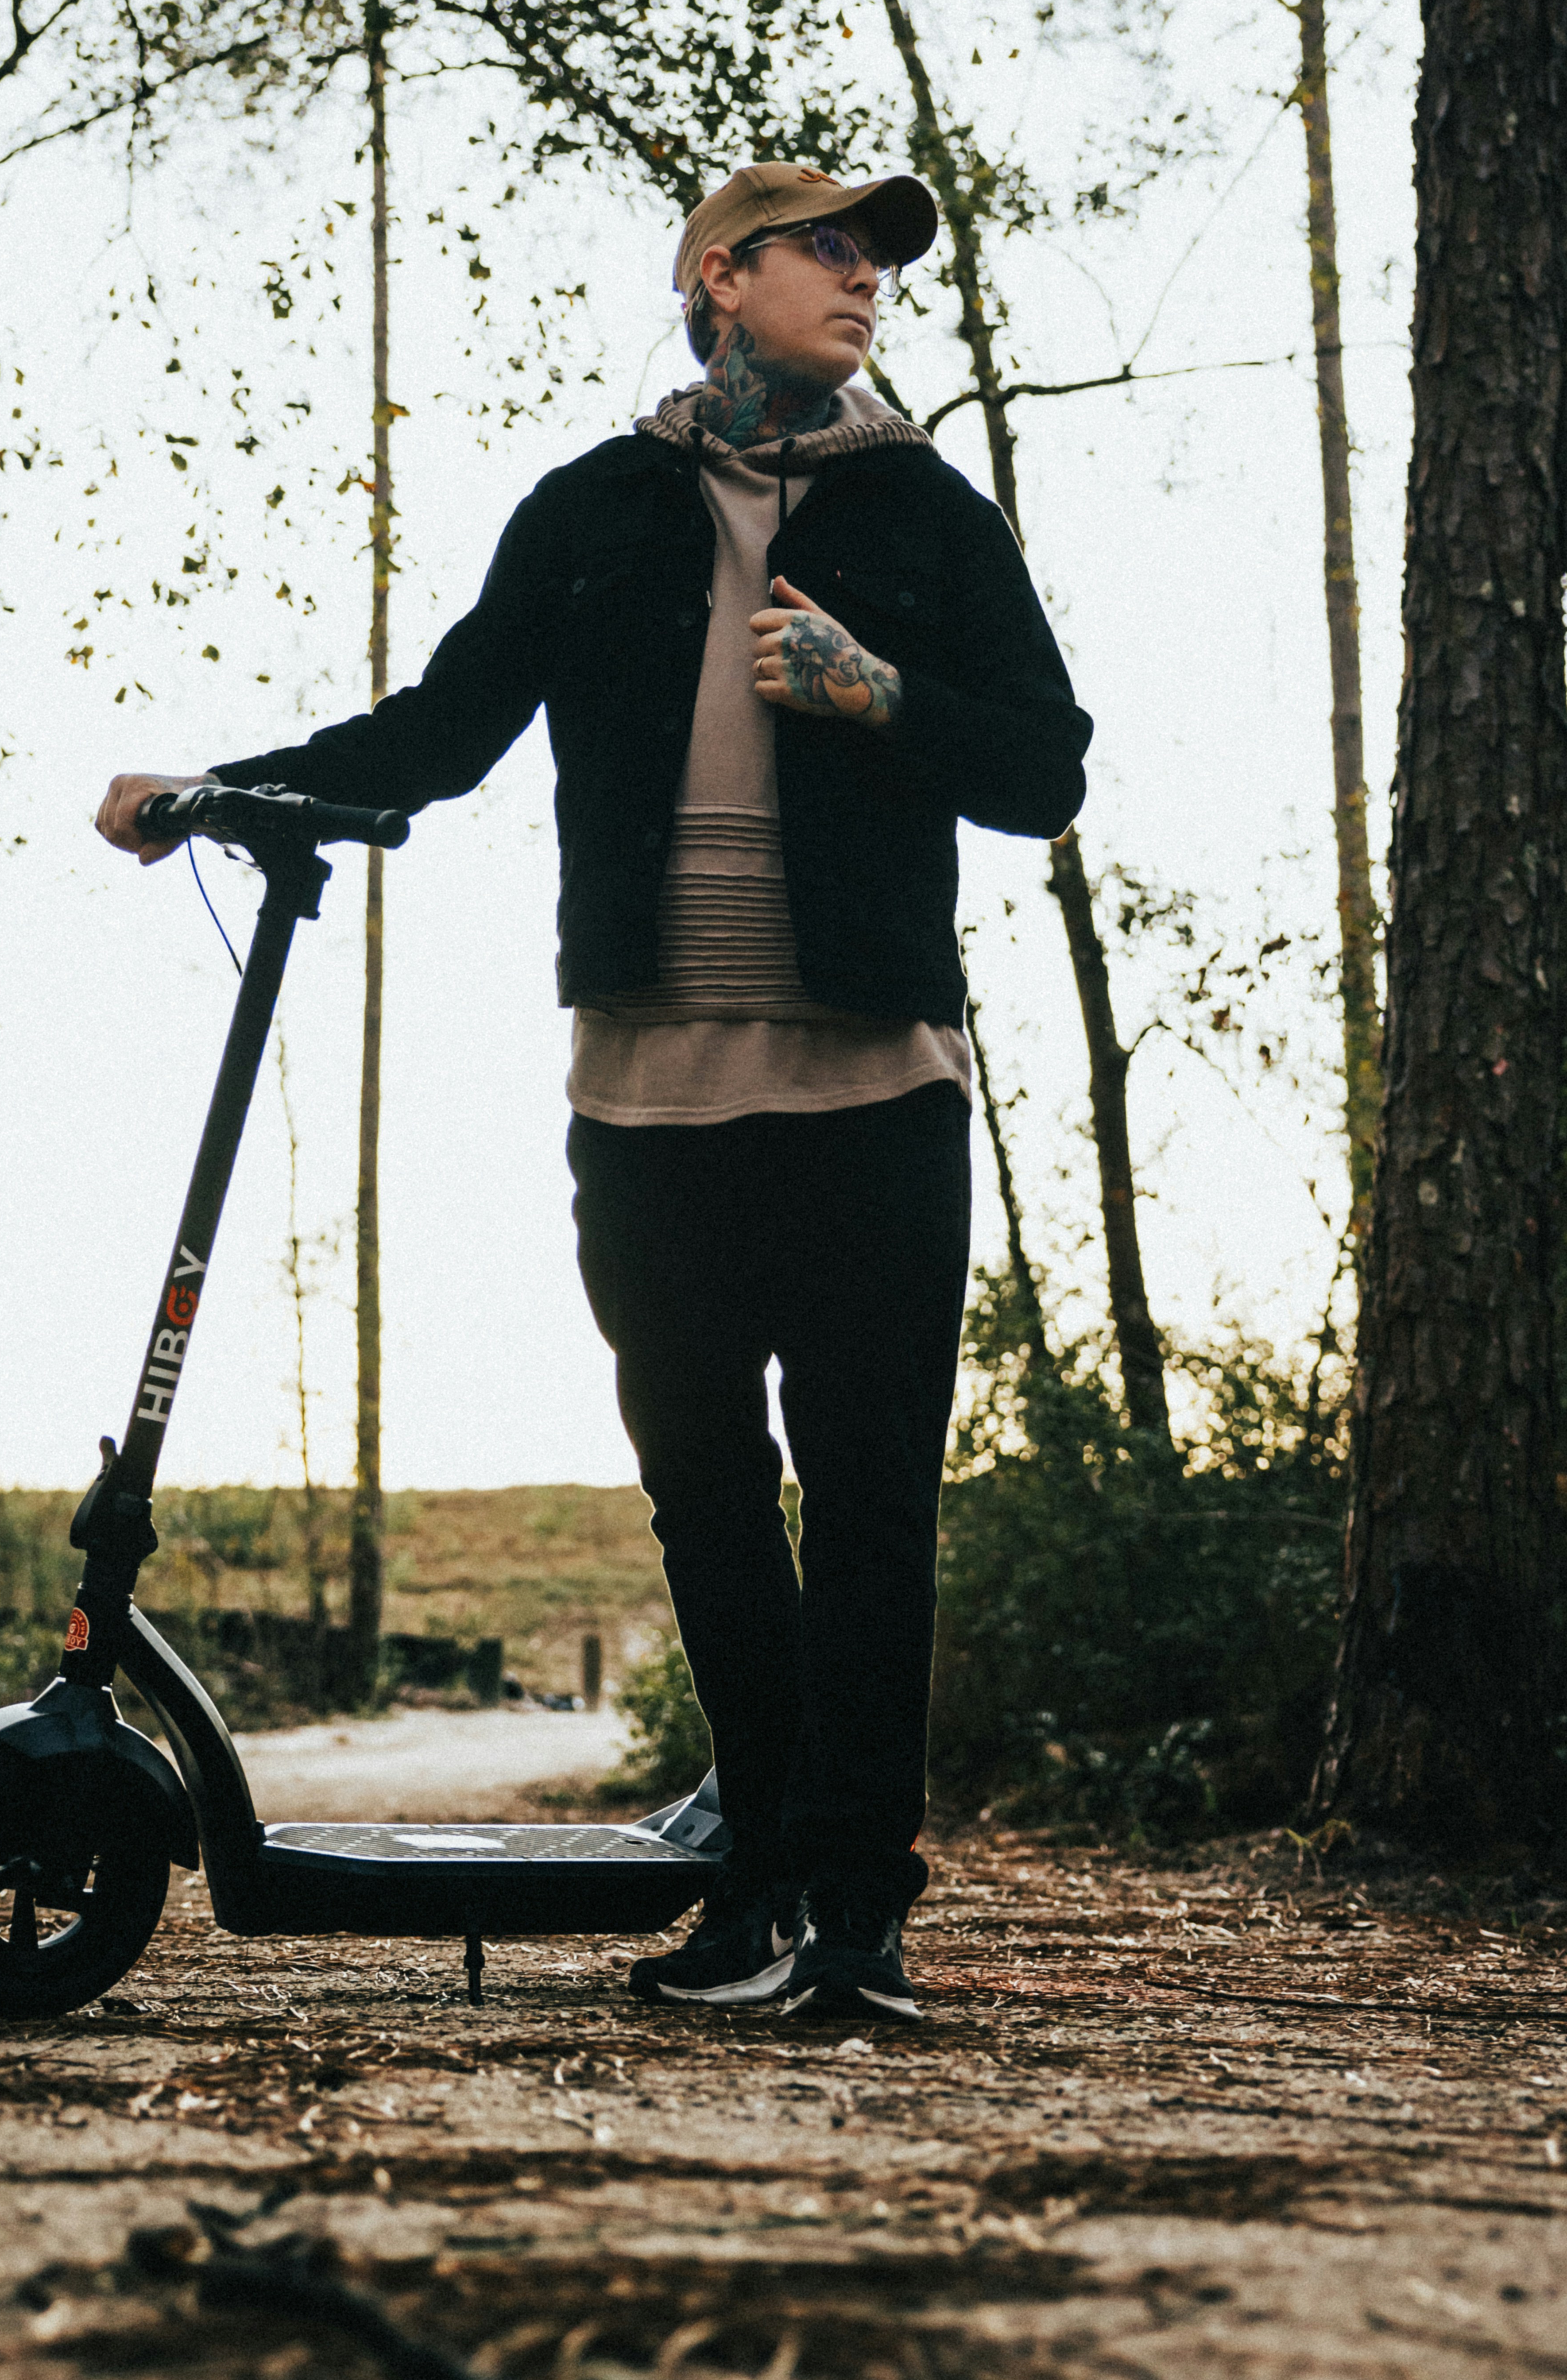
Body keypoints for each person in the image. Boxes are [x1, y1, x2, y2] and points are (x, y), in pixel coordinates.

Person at [97, 161, 1090, 2026]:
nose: (869, 278)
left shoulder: (925, 512)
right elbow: (444, 732)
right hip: (647, 1100)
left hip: (876, 1089)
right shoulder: (597, 510)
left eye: (882, 257)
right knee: (711, 1501)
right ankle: (759, 1872)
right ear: (723, 275)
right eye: (832, 247)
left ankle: (857, 1914)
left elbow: (1048, 767)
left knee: (874, 1504)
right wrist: (216, 790)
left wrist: (881, 691)